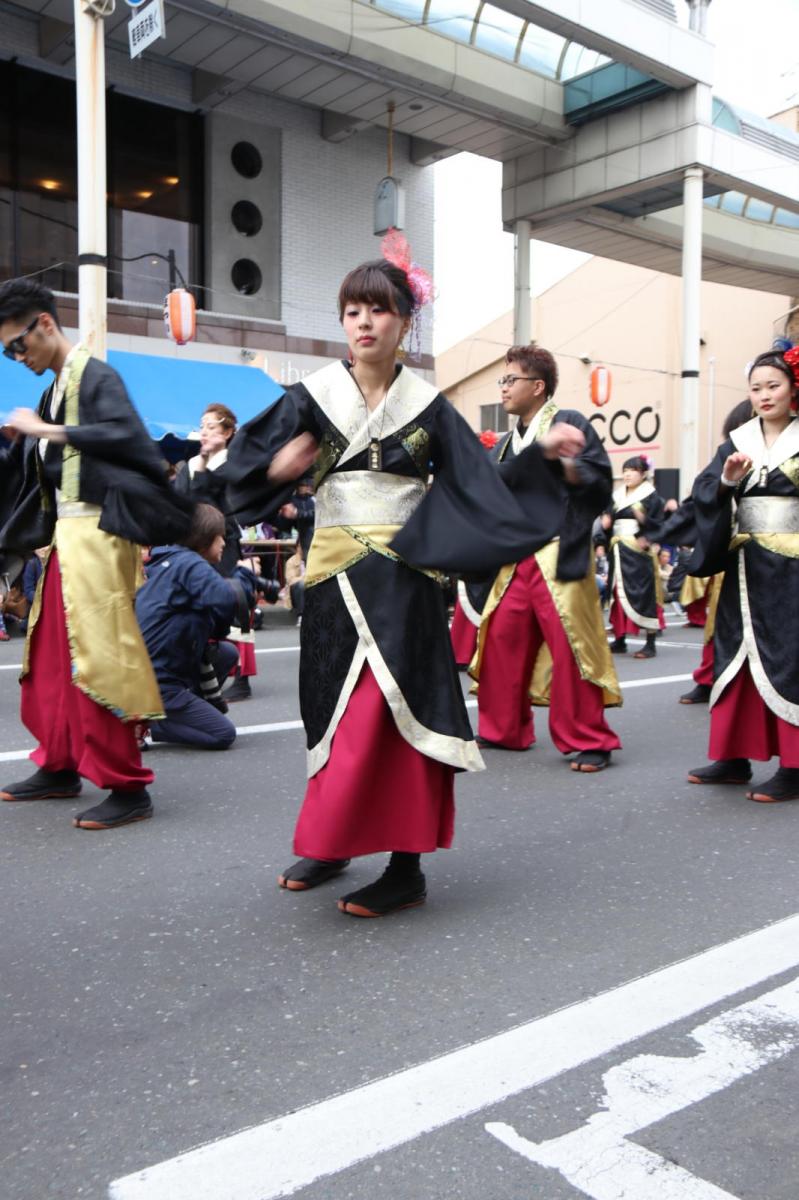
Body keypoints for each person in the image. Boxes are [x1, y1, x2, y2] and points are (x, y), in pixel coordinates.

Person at [225, 243, 580, 917]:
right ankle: (331, 841)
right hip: (331, 578)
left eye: (378, 310)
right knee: (333, 712)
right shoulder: (311, 397)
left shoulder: (429, 405)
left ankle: (405, 866)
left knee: (395, 717)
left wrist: (541, 464)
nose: (363, 323)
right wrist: (276, 472)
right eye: (352, 310)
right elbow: (241, 467)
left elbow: (480, 487)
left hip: (406, 579)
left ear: (403, 322)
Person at [0, 278, 192, 829]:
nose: (18, 357)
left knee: (100, 658)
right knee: (51, 662)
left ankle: (127, 786)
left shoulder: (95, 375)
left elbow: (130, 438)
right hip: (66, 537)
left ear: (44, 324)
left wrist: (49, 430)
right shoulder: (53, 389)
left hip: (101, 535)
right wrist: (28, 437)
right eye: (7, 351)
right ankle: (59, 765)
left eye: (18, 344)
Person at [470, 344, 622, 771]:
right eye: (502, 380)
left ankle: (590, 737)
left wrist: (570, 465)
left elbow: (598, 483)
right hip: (516, 556)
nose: (502, 388)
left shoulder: (568, 422)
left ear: (537, 387)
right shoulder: (503, 443)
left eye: (509, 380)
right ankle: (504, 728)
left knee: (571, 644)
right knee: (501, 637)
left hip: (558, 548)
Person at [687, 346, 799, 802]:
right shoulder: (738, 441)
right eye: (756, 388)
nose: (764, 395)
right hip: (745, 565)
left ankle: (795, 766)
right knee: (737, 656)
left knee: (789, 658)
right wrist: (728, 482)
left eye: (774, 386)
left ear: (794, 389)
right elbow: (706, 490)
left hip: (793, 568)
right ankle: (732, 756)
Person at [135, 504, 255, 751]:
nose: (223, 542)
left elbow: (217, 626)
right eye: (219, 536)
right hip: (159, 681)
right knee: (223, 734)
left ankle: (186, 709)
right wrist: (245, 576)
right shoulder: (189, 563)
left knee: (227, 654)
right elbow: (225, 600)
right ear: (203, 537)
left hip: (146, 671)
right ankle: (155, 721)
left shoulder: (171, 561)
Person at [174, 403, 256, 702]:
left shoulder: (232, 463)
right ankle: (203, 670)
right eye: (203, 425)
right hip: (192, 545)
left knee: (232, 603)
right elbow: (181, 501)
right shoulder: (193, 462)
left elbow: (225, 504)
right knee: (198, 609)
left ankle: (242, 677)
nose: (206, 430)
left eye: (213, 426)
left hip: (224, 545)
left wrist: (209, 463)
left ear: (229, 432)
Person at [602, 455, 666, 659]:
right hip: (618, 549)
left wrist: (645, 525)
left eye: (633, 470)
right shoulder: (617, 495)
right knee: (617, 593)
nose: (627, 474)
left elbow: (659, 524)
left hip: (639, 552)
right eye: (625, 470)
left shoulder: (652, 496)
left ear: (643, 473)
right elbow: (608, 520)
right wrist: (606, 523)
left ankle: (650, 643)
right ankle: (620, 639)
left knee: (644, 594)